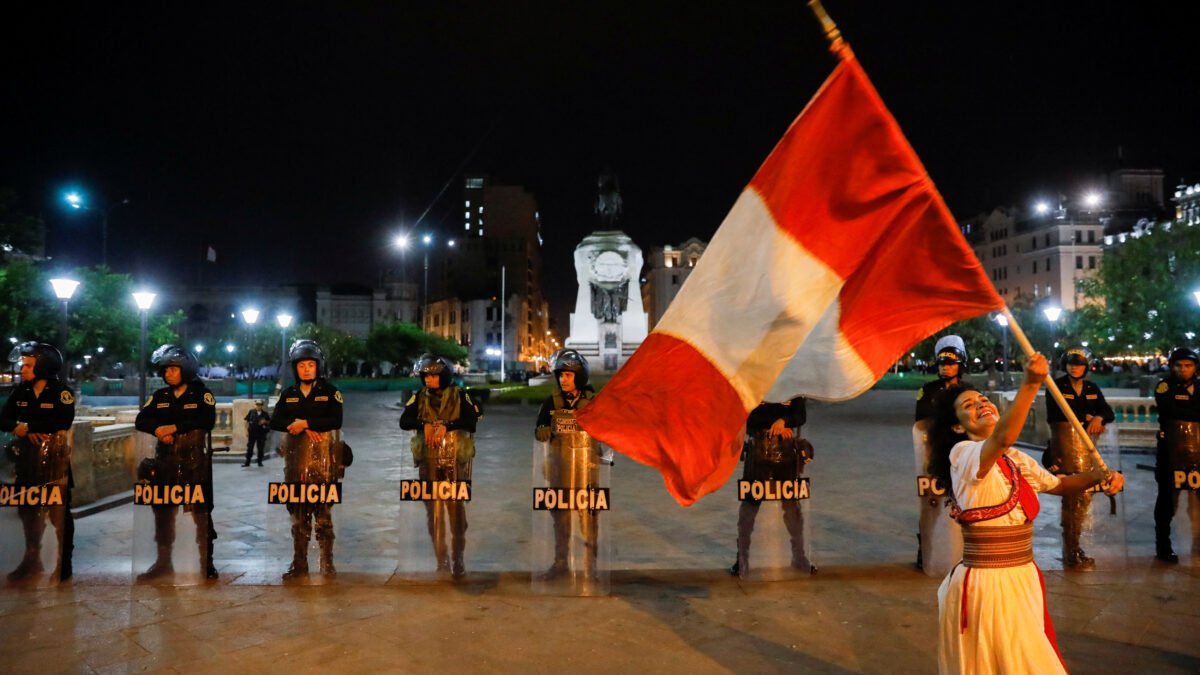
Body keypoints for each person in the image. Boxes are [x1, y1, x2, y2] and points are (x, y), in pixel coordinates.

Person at [930, 353, 1123, 674]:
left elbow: (1059, 484)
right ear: (956, 426)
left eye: (982, 399)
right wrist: (1031, 383)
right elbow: (1004, 435)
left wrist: (1099, 477)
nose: (981, 405)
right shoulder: (962, 453)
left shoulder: (1014, 457)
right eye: (968, 406)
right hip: (988, 584)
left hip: (1022, 576)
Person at [134, 344, 218, 581]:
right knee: (162, 515)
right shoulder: (160, 396)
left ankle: (206, 562)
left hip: (194, 464)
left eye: (173, 369)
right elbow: (141, 420)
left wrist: (175, 427)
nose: (167, 373)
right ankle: (163, 562)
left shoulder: (202, 394)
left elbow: (207, 419)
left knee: (200, 515)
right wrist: (158, 429)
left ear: (187, 369)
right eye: (165, 370)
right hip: (164, 463)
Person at [270, 339, 346, 579]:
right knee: (298, 517)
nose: (306, 369)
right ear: (296, 368)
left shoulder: (330, 392)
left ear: (318, 367)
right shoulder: (289, 394)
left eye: (310, 365)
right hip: (295, 463)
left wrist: (307, 423)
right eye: (301, 366)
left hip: (324, 464)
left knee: (323, 516)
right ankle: (299, 563)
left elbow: (336, 420)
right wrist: (299, 426)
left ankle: (327, 562)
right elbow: (275, 421)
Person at [0, 341, 75, 582]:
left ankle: (64, 562)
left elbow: (63, 421)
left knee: (59, 513)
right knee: (28, 511)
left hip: (55, 461)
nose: (23, 370)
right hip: (27, 461)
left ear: (43, 367)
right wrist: (18, 429)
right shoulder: (21, 391)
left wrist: (28, 426)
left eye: (28, 365)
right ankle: (31, 559)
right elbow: (4, 419)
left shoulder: (61, 392)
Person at [400, 353, 479, 579]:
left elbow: (472, 419)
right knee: (432, 514)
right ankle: (441, 559)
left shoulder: (460, 395)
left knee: (456, 514)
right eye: (426, 376)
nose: (429, 380)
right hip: (428, 462)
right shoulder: (419, 397)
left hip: (455, 462)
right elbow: (404, 420)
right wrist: (423, 424)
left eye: (434, 376)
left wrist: (448, 426)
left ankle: (458, 559)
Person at [534, 350, 603, 581]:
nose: (563, 379)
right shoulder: (551, 402)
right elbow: (540, 425)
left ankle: (590, 565)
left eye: (569, 375)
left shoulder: (594, 403)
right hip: (559, 467)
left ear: (580, 377)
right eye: (561, 375)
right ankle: (561, 562)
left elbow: (607, 428)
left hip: (587, 469)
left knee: (589, 517)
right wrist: (542, 429)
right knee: (560, 517)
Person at [1044, 347, 1114, 570]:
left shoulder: (1092, 388)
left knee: (1083, 500)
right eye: (1071, 364)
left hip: (1086, 451)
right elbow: (1060, 413)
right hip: (1065, 449)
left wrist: (1100, 417)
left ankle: (1075, 546)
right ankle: (1070, 549)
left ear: (1086, 367)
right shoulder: (1056, 386)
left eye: (1080, 364)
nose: (1075, 368)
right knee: (1070, 500)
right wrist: (1089, 417)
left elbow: (1108, 411)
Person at [729, 396, 813, 578]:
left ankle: (799, 556)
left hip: (787, 452)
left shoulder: (791, 381)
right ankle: (741, 558)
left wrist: (784, 421)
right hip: (758, 449)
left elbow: (801, 415)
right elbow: (745, 414)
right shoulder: (758, 381)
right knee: (750, 504)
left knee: (791, 504)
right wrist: (774, 426)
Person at [913, 335, 971, 571]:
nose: (945, 368)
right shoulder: (927, 390)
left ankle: (964, 550)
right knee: (931, 503)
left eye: (951, 363)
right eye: (942, 364)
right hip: (934, 454)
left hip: (963, 455)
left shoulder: (968, 390)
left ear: (961, 365)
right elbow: (922, 420)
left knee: (964, 502)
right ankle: (925, 549)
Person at [1152, 346, 1200, 563]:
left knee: (1197, 502)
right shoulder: (1164, 386)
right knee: (1167, 502)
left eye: (1188, 365)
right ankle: (1163, 545)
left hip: (1197, 454)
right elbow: (1169, 410)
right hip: (1170, 454)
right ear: (1171, 367)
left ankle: (1197, 542)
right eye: (1178, 365)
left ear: (1195, 367)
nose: (1183, 369)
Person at [243, 399, 270, 467]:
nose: (258, 407)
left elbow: (270, 422)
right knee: (250, 448)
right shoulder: (251, 412)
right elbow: (246, 421)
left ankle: (259, 462)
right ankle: (247, 462)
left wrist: (265, 422)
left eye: (260, 405)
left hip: (261, 433)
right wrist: (246, 431)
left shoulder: (265, 414)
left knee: (260, 448)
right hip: (252, 432)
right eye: (257, 405)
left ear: (262, 406)